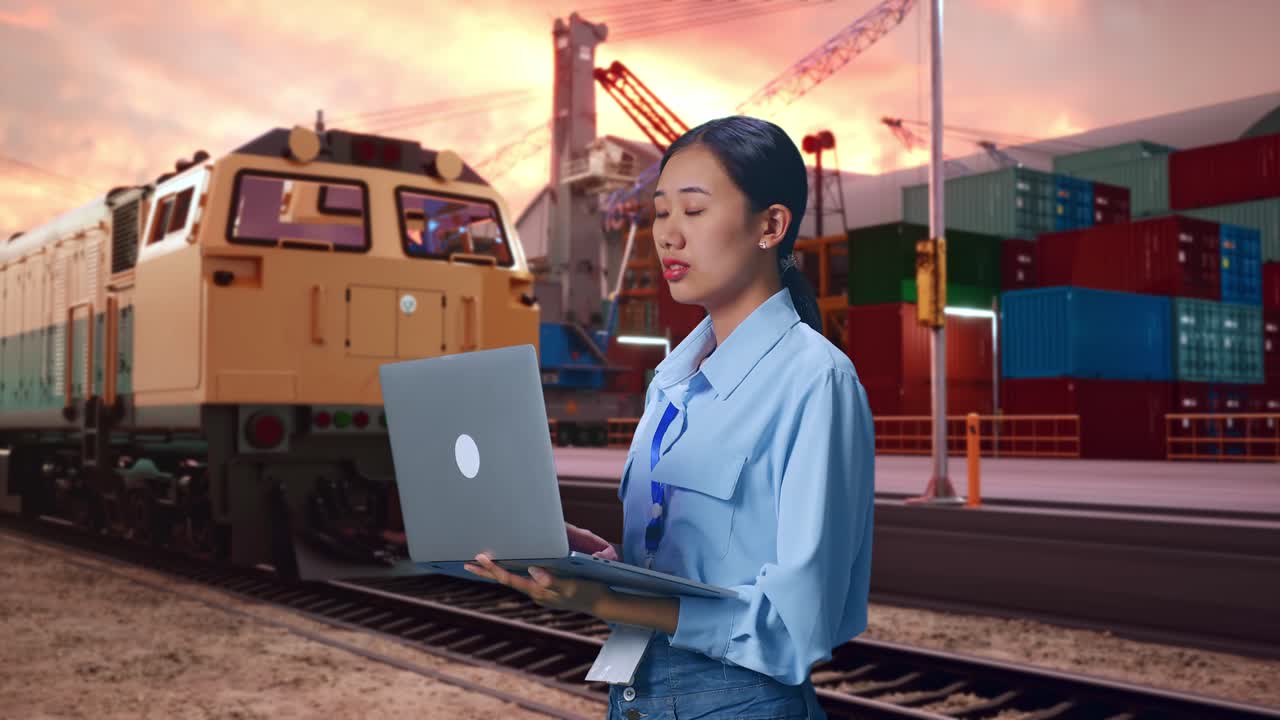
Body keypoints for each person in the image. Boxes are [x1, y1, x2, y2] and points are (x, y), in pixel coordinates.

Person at [465, 115, 875, 720]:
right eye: (660, 212)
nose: (668, 235)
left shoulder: (817, 382)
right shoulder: (672, 380)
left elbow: (795, 627)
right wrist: (600, 564)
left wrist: (608, 603)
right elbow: (690, 566)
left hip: (743, 704)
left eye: (694, 210)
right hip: (635, 694)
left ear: (771, 225)